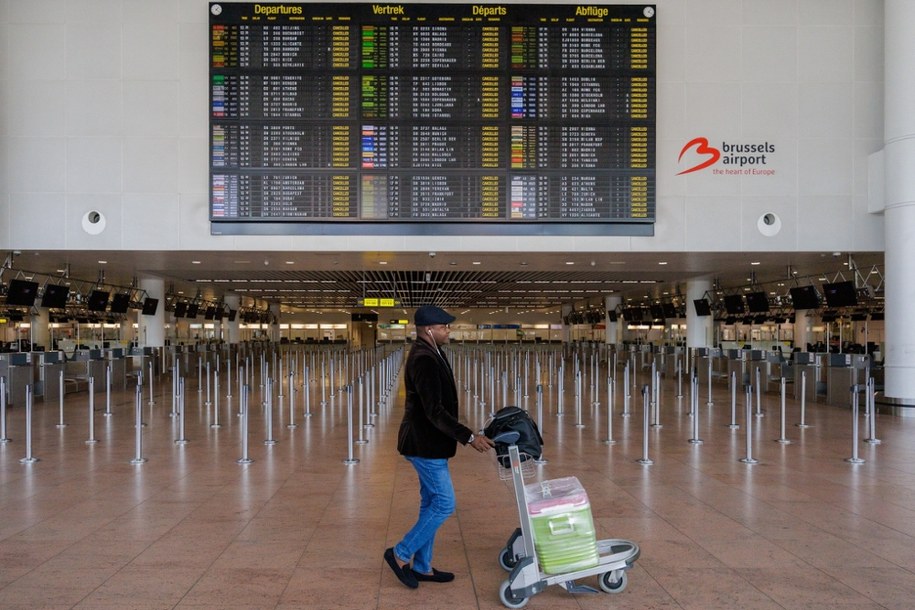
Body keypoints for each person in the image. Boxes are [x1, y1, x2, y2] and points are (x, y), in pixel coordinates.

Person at [384, 305, 495, 589]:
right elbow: (434, 411)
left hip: (430, 443)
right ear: (428, 330)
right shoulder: (424, 358)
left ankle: (422, 567)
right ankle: (400, 554)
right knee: (444, 503)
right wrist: (469, 437)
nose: (449, 330)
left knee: (431, 503)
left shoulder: (433, 352)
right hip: (424, 444)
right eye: (444, 327)